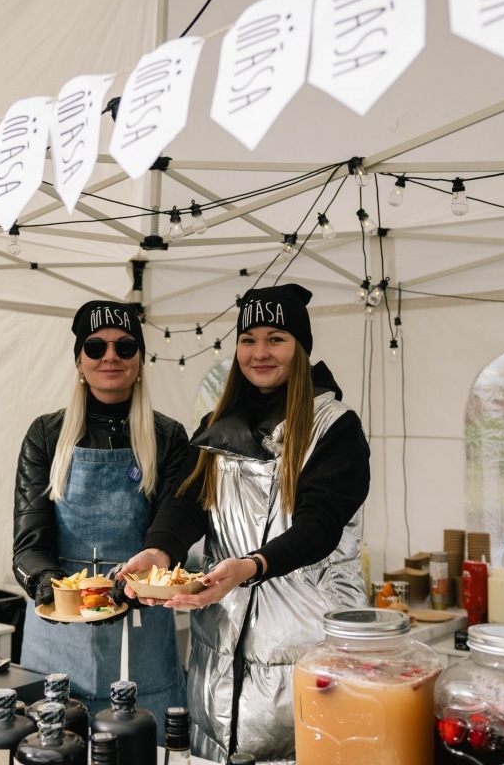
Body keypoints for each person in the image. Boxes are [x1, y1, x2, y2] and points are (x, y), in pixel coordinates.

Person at [119, 283, 370, 764]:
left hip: (305, 645)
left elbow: (321, 526)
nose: (260, 352)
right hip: (220, 642)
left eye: (276, 338)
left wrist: (251, 566)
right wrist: (159, 552)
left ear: (301, 347)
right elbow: (187, 500)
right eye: (248, 339)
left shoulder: (335, 426)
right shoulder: (219, 424)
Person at [13, 301, 190, 738]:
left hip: (142, 618)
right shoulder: (46, 434)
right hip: (57, 625)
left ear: (140, 361)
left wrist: (128, 588)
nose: (110, 356)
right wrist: (56, 590)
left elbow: (173, 526)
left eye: (125, 346)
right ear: (79, 361)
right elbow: (28, 544)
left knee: (139, 746)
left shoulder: (169, 437)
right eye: (95, 347)